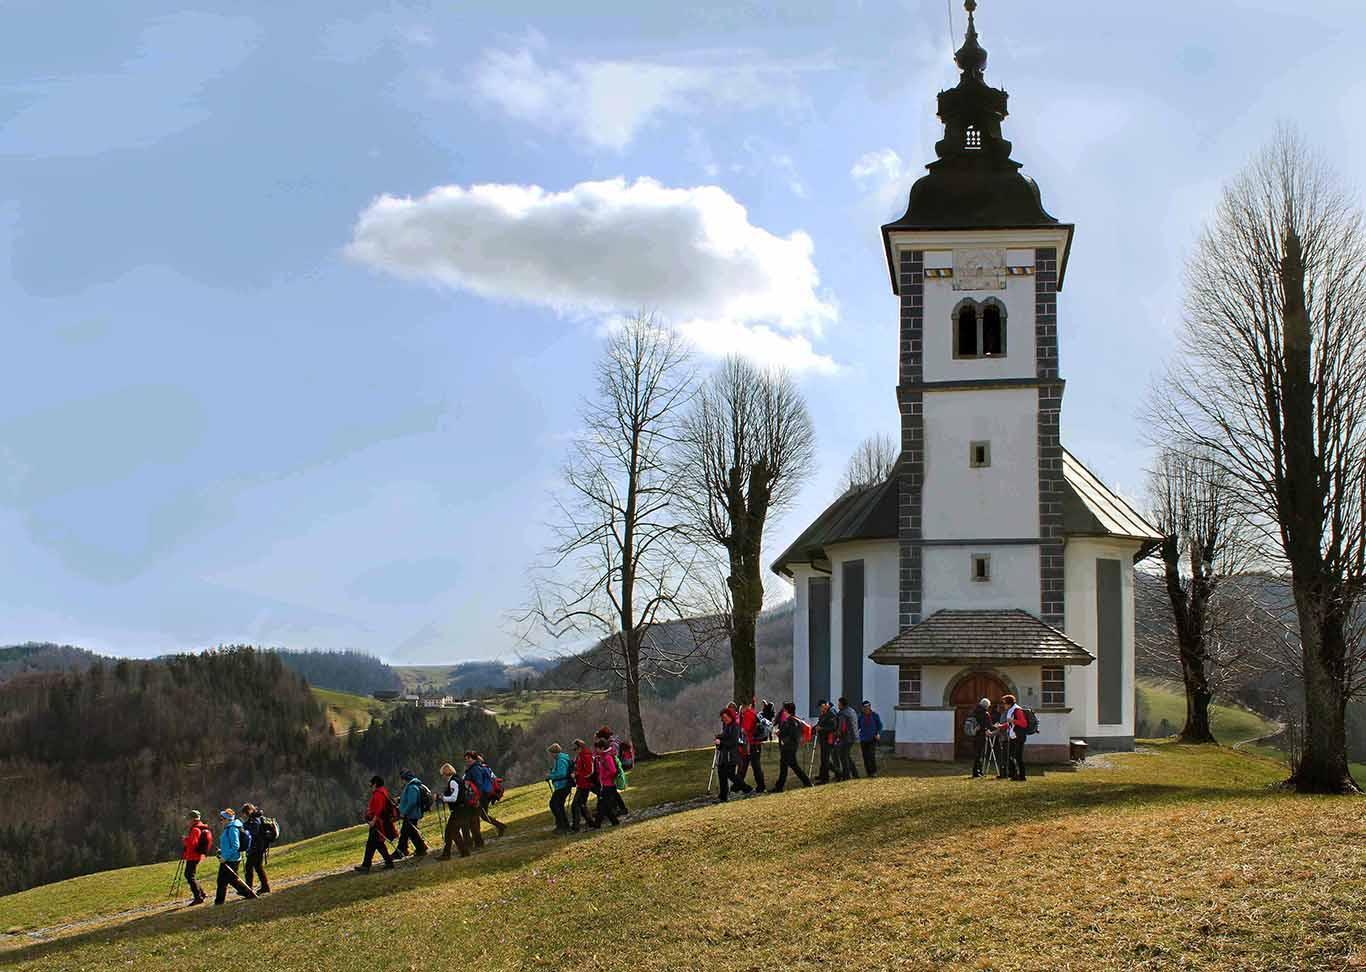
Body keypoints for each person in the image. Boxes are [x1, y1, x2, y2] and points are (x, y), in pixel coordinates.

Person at [214, 808, 258, 905]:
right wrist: (222, 851)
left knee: (231, 880)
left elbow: (235, 845)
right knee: (223, 880)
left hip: (232, 860)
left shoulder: (232, 829)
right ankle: (219, 901)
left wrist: (225, 857)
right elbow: (229, 845)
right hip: (228, 858)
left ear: (228, 819)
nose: (221, 821)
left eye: (222, 819)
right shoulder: (229, 828)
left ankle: (249, 894)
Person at [355, 775, 397, 872]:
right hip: (379, 822)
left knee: (372, 844)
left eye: (371, 784)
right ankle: (388, 862)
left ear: (375, 784)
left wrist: (373, 821)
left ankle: (366, 866)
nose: (371, 787)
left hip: (378, 823)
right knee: (377, 843)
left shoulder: (378, 794)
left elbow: (378, 809)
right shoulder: (383, 791)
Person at [772, 702, 812, 792]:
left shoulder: (790, 721)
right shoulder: (794, 720)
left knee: (790, 766)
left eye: (784, 710)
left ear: (787, 710)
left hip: (788, 747)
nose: (783, 712)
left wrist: (779, 734)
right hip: (790, 747)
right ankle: (779, 786)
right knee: (788, 766)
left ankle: (806, 782)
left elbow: (790, 735)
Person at [435, 762, 472, 859]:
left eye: (442, 774)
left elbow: (454, 798)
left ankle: (458, 853)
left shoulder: (452, 782)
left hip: (459, 810)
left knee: (451, 832)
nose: (442, 777)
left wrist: (442, 798)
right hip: (462, 809)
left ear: (446, 773)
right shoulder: (457, 779)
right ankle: (451, 853)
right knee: (451, 832)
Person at [466, 752, 507, 837]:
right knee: (481, 815)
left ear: (474, 758)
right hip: (485, 793)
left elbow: (479, 783)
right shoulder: (480, 766)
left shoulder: (474, 769)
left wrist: (477, 797)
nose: (467, 760)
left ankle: (500, 827)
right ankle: (500, 826)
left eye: (469, 758)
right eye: (466, 759)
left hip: (481, 795)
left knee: (479, 816)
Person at [715, 707, 751, 802]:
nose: (724, 719)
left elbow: (733, 742)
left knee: (730, 775)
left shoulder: (735, 727)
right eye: (722, 718)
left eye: (725, 717)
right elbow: (725, 738)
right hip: (725, 756)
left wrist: (721, 742)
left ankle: (747, 789)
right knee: (722, 774)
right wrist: (719, 738)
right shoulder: (727, 726)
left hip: (731, 756)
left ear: (730, 716)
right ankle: (723, 796)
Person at [393, 769, 429, 859]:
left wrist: (404, 812)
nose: (402, 781)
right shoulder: (413, 785)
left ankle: (401, 851)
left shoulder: (411, 787)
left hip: (411, 814)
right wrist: (400, 800)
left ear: (405, 779)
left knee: (405, 833)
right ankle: (421, 848)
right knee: (411, 832)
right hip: (412, 814)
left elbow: (412, 802)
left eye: (402, 779)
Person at [594, 727, 630, 817]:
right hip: (608, 779)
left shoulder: (609, 751)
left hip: (608, 779)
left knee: (606, 797)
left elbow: (612, 768)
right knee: (613, 794)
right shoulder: (608, 748)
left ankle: (607, 814)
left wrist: (604, 775)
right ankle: (620, 809)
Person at [180, 810, 212, 906]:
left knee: (189, 875)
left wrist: (185, 840)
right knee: (190, 875)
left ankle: (198, 897)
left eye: (188, 819)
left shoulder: (195, 830)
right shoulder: (200, 827)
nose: (187, 821)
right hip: (196, 855)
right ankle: (201, 894)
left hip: (193, 856)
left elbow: (192, 844)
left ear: (192, 819)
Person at [737, 700, 769, 793]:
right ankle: (739, 786)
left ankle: (760, 787)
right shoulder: (753, 713)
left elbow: (745, 729)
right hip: (755, 744)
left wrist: (741, 730)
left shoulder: (748, 714)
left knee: (753, 766)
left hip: (751, 744)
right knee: (749, 766)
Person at [239, 803, 272, 893]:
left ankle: (248, 889)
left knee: (249, 867)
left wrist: (243, 828)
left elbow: (253, 832)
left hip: (256, 847)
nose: (244, 815)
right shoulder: (257, 817)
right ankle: (265, 887)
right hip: (259, 846)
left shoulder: (254, 819)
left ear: (248, 811)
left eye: (245, 813)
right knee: (258, 867)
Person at [995, 693, 1028, 781]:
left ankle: (1022, 776)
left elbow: (1024, 724)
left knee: (1018, 757)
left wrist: (1013, 720)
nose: (1003, 705)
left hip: (1019, 737)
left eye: (1004, 703)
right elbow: (1009, 723)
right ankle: (1014, 775)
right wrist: (1001, 726)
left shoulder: (1017, 710)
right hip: (1013, 737)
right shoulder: (1010, 710)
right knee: (1010, 756)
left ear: (1009, 703)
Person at [592, 738, 622, 826]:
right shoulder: (603, 757)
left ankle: (597, 824)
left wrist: (604, 776)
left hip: (608, 784)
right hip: (605, 784)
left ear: (602, 748)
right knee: (605, 805)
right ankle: (614, 821)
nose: (596, 750)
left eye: (597, 748)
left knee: (602, 804)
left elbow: (613, 771)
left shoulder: (607, 757)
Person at [570, 738, 597, 831]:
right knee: (581, 804)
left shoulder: (585, 755)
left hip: (585, 784)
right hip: (581, 784)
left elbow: (589, 771)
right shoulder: (580, 756)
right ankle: (591, 823)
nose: (575, 751)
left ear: (580, 747)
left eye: (576, 749)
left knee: (576, 805)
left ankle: (576, 826)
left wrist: (577, 774)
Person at [546, 743, 574, 833]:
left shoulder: (561, 760)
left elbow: (562, 774)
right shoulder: (560, 759)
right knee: (559, 805)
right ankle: (563, 825)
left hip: (563, 786)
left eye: (551, 753)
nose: (551, 755)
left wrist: (550, 776)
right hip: (563, 786)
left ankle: (562, 826)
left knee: (554, 804)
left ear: (554, 752)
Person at [814, 700, 838, 784]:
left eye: (821, 707)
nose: (820, 709)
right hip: (823, 739)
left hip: (828, 739)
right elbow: (820, 724)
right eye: (820, 708)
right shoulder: (823, 714)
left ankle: (825, 778)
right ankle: (823, 775)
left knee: (825, 760)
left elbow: (833, 727)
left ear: (826, 705)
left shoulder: (831, 714)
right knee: (824, 759)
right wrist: (813, 729)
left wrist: (821, 729)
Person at [836, 697, 860, 781]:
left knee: (843, 756)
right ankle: (855, 774)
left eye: (839, 704)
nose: (838, 705)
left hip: (846, 737)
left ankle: (846, 775)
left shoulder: (843, 713)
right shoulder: (852, 711)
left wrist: (838, 736)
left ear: (842, 704)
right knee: (847, 756)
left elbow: (842, 727)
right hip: (853, 736)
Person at [858, 701, 883, 778]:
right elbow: (857, 726)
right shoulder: (860, 716)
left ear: (869, 707)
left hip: (872, 739)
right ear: (862, 708)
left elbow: (880, 726)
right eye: (864, 707)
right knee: (865, 756)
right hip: (863, 739)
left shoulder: (875, 715)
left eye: (867, 707)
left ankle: (874, 772)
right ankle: (868, 772)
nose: (866, 709)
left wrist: (878, 734)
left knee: (871, 755)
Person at [969, 697, 991, 778]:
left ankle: (976, 771)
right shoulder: (985, 713)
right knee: (980, 754)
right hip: (981, 736)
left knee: (977, 754)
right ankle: (978, 771)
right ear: (986, 706)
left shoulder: (974, 711)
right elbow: (988, 725)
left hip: (974, 735)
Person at [988, 700, 1009, 779]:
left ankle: (1004, 774)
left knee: (1003, 757)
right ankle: (1005, 773)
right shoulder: (1005, 714)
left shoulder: (1004, 715)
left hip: (1005, 738)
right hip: (1005, 738)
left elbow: (1001, 728)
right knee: (1004, 757)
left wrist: (991, 733)